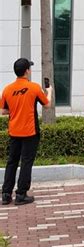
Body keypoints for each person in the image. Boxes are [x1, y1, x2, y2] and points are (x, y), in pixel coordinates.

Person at [1, 58, 52, 205]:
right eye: (29, 68)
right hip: (30, 132)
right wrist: (49, 91)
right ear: (26, 71)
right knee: (26, 162)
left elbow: (3, 110)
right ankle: (21, 194)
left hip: (14, 131)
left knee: (12, 162)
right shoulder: (34, 88)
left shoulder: (8, 89)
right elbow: (47, 105)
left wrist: (16, 107)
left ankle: (6, 194)